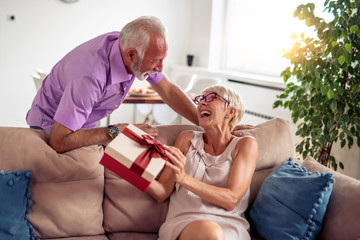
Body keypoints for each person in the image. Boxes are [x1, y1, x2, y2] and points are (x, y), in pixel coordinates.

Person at [26, 16, 252, 153]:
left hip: (83, 125)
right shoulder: (89, 77)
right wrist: (117, 131)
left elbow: (170, 91)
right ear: (131, 55)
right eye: (156, 62)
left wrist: (210, 126)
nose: (160, 68)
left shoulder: (130, 45)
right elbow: (59, 140)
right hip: (50, 131)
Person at [147, 84, 258, 240]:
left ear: (230, 112)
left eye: (211, 98)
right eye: (201, 99)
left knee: (212, 233)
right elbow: (162, 192)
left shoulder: (245, 145)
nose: (202, 103)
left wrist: (184, 178)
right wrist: (133, 171)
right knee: (209, 232)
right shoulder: (186, 139)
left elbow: (231, 200)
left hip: (231, 227)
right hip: (185, 224)